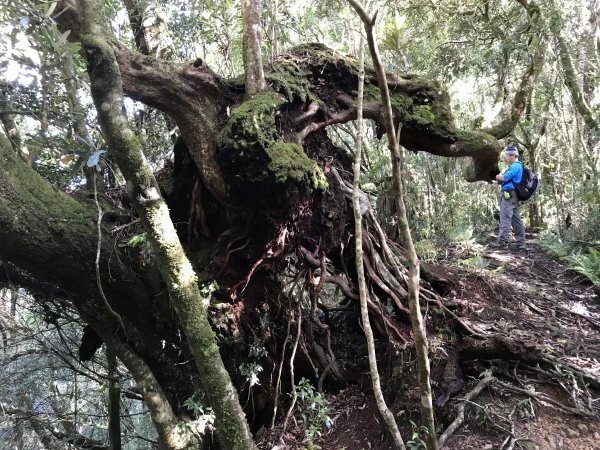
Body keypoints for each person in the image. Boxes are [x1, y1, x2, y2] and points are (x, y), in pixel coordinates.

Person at [491, 145, 526, 250]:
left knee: (505, 217)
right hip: (513, 195)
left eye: (507, 155)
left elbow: (505, 178)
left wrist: (494, 175)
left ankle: (501, 242)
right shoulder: (516, 166)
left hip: (509, 195)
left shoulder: (515, 166)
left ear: (513, 156)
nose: (506, 158)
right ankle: (521, 243)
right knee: (516, 220)